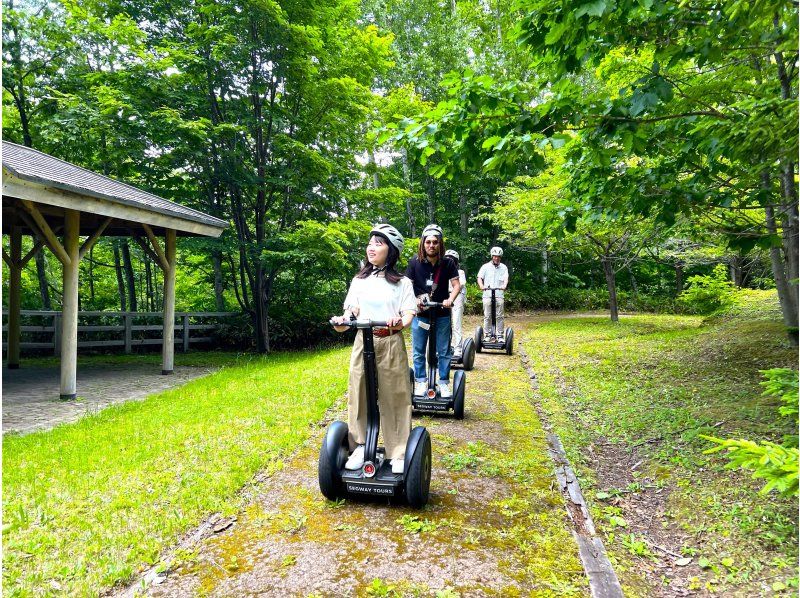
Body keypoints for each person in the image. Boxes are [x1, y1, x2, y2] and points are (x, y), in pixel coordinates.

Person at [331, 224, 417, 474]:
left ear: (391, 251)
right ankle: (359, 446)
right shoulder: (359, 280)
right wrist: (342, 320)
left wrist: (399, 322)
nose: (371, 247)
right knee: (358, 393)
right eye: (370, 242)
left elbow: (408, 314)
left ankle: (398, 451)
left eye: (378, 243)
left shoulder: (403, 283)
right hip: (362, 340)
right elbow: (350, 313)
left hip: (389, 341)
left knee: (395, 395)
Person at [405, 224, 461, 398]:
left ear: (440, 244)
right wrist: (416, 300)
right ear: (423, 243)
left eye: (435, 242)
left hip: (441, 314)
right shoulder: (415, 262)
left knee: (443, 351)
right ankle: (421, 381)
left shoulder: (448, 263)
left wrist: (450, 300)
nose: (431, 245)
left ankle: (443, 383)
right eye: (428, 242)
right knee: (418, 350)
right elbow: (406, 287)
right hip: (421, 315)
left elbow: (456, 284)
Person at [477, 246, 509, 341]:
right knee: (487, 315)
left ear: (500, 257)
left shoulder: (503, 267)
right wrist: (481, 286)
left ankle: (499, 335)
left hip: (499, 294)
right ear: (492, 256)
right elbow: (479, 277)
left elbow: (506, 278)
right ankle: (487, 335)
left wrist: (504, 285)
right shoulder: (485, 266)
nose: (496, 258)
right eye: (495, 256)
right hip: (487, 294)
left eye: (498, 256)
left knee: (500, 315)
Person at [444, 249, 467, 356]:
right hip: (444, 297)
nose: (449, 261)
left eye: (452, 259)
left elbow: (460, 284)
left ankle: (458, 348)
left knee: (456, 322)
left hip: (457, 297)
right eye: (447, 258)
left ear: (456, 261)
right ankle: (445, 347)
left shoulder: (460, 272)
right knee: (444, 324)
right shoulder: (441, 271)